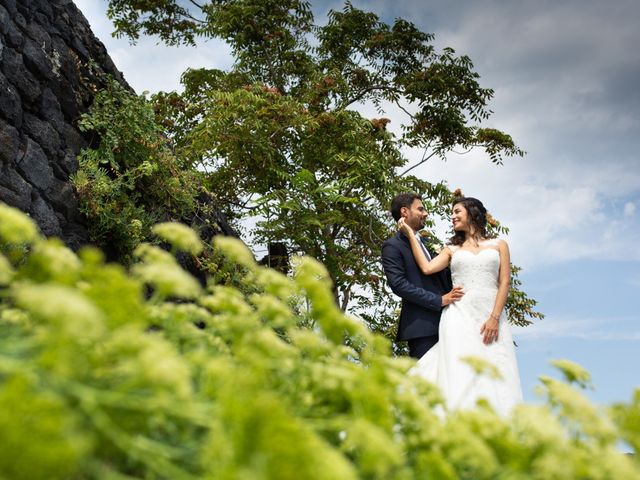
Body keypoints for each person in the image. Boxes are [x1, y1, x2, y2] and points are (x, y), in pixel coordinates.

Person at [399, 196, 523, 416]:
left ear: (472, 212)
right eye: (452, 213)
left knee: (498, 368)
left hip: (491, 315)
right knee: (460, 370)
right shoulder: (451, 249)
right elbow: (427, 268)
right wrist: (410, 235)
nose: (453, 216)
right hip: (459, 315)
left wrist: (494, 317)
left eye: (457, 212)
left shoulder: (499, 245)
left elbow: (504, 282)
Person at [381, 193, 464, 359]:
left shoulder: (428, 243)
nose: (425, 213)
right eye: (420, 209)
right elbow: (398, 284)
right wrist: (439, 300)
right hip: (423, 327)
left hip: (451, 321)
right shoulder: (392, 246)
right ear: (405, 212)